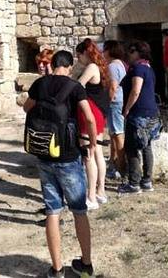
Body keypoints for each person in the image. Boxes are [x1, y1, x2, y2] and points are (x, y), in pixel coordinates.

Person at [24, 50, 96, 278]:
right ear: (70, 65)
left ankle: (56, 269)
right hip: (68, 155)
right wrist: (92, 144)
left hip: (44, 152)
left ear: (53, 64)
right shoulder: (75, 87)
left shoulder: (39, 84)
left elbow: (27, 108)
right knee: (79, 211)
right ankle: (86, 264)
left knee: (52, 211)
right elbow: (89, 117)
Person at [118, 41, 160, 195]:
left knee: (132, 147)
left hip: (138, 113)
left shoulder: (137, 68)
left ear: (138, 52)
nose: (129, 53)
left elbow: (136, 90)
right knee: (147, 146)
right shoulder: (149, 68)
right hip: (151, 112)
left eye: (131, 50)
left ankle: (134, 183)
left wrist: (127, 109)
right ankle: (147, 181)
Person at [75, 39, 109, 210]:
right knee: (98, 154)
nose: (78, 58)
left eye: (78, 55)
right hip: (99, 113)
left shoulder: (91, 67)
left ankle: (91, 197)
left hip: (90, 112)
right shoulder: (101, 66)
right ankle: (100, 191)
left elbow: (78, 87)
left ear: (84, 54)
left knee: (88, 155)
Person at [102, 40, 127, 180]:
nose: (103, 53)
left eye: (104, 50)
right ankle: (114, 162)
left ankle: (121, 167)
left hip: (115, 102)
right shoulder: (120, 64)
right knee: (114, 133)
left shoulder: (112, 66)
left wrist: (106, 102)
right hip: (120, 101)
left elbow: (113, 86)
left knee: (117, 134)